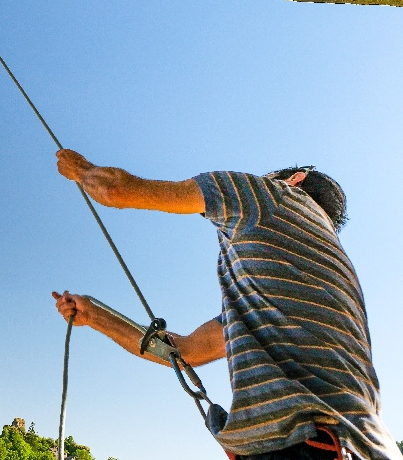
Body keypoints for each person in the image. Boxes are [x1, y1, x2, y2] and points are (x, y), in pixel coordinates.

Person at [52, 150, 401, 460]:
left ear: (295, 180)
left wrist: (81, 169)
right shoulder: (310, 280)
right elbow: (184, 351)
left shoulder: (274, 195)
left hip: (306, 444)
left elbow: (115, 190)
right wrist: (95, 316)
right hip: (366, 446)